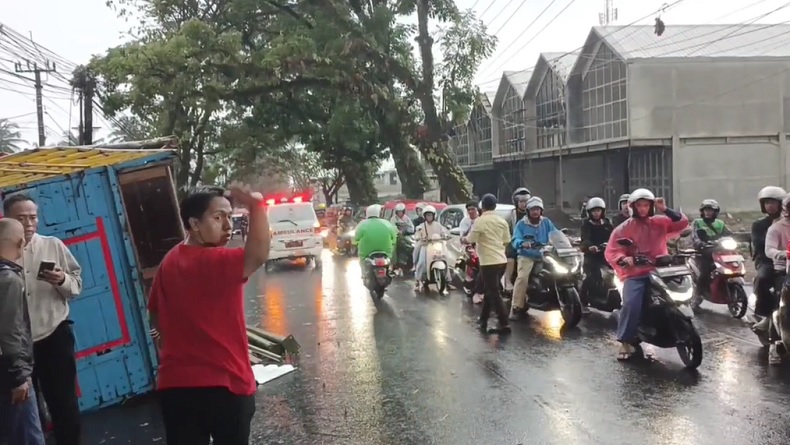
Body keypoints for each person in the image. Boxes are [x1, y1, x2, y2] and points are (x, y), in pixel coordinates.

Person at [147, 184, 269, 445]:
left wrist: (170, 343)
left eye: (229, 217)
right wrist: (257, 207)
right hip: (224, 384)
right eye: (218, 218)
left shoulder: (169, 261)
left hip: (176, 386)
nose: (228, 225)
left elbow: (155, 313)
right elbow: (257, 254)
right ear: (194, 224)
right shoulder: (214, 260)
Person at [3, 194, 82, 445]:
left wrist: (61, 280)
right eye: (21, 218)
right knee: (25, 408)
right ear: (7, 219)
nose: (28, 223)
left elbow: (77, 285)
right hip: (16, 346)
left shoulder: (53, 245)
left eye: (33, 217)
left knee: (64, 403)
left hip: (54, 334)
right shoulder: (4, 251)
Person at [605, 189, 688, 360]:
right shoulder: (624, 228)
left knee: (677, 293)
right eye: (639, 205)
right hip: (635, 273)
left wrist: (664, 209)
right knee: (631, 303)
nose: (643, 209)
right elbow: (613, 250)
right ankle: (625, 342)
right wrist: (624, 259)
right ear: (633, 207)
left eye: (646, 205)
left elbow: (682, 223)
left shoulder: (659, 222)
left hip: (659, 270)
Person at [0, 219, 46, 445]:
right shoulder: (8, 279)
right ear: (20, 243)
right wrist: (19, 377)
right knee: (29, 436)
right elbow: (9, 331)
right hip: (11, 375)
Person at [461, 194, 511, 333]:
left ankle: (504, 323)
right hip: (501, 260)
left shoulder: (480, 221)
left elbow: (472, 238)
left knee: (494, 292)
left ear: (482, 207)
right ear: (495, 206)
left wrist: (463, 239)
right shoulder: (502, 221)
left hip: (488, 262)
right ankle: (483, 320)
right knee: (490, 290)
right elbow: (506, 240)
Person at [510, 196, 557, 321]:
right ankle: (516, 307)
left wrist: (566, 239)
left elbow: (555, 234)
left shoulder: (546, 222)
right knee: (522, 277)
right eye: (533, 209)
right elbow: (515, 240)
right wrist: (522, 243)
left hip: (544, 254)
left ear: (541, 210)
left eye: (538, 209)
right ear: (528, 211)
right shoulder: (521, 224)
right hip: (527, 255)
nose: (535, 212)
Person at [751, 186, 786, 335]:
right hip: (767, 260)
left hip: (787, 260)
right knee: (763, 278)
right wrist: (778, 254)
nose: (770, 206)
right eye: (767, 203)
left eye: (773, 202)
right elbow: (760, 245)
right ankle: (765, 315)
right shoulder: (759, 225)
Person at [763, 194, 790, 365]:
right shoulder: (776, 228)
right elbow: (768, 250)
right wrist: (782, 254)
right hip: (783, 271)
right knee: (783, 307)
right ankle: (774, 344)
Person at [690, 199, 731, 300]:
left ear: (715, 212)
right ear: (702, 212)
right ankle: (697, 295)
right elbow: (694, 236)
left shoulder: (720, 223)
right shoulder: (697, 222)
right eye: (706, 210)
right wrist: (699, 243)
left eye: (711, 210)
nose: (708, 212)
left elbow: (729, 234)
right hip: (704, 252)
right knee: (705, 272)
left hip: (720, 250)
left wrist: (740, 239)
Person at [579, 197, 614, 313]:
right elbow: (585, 238)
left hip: (607, 255)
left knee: (618, 273)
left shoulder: (607, 224)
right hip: (592, 256)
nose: (596, 213)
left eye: (598, 210)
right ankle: (582, 301)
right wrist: (590, 246)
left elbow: (614, 237)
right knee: (591, 276)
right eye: (594, 211)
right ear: (589, 212)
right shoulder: (586, 224)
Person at [354, 204, 398, 278]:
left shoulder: (362, 224)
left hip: (366, 251)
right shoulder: (386, 223)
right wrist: (392, 243)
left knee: (362, 259)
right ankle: (389, 270)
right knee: (390, 257)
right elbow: (394, 237)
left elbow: (356, 238)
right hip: (386, 250)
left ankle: (364, 273)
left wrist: (356, 242)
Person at [414, 205, 450, 291]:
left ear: (434, 216)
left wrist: (445, 235)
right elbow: (417, 234)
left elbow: (444, 232)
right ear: (424, 216)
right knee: (422, 262)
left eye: (430, 215)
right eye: (427, 215)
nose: (429, 217)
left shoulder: (438, 225)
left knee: (446, 258)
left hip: (437, 245)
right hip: (426, 246)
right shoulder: (421, 226)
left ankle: (448, 279)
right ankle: (418, 280)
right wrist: (419, 237)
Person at [504, 187, 531, 293]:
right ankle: (507, 281)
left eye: (526, 201)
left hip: (532, 243)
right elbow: (506, 231)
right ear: (516, 202)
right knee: (510, 256)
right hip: (515, 242)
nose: (524, 204)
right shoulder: (511, 216)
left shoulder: (533, 213)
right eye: (522, 201)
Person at [459, 201, 483, 302]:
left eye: (473, 209)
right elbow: (462, 236)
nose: (471, 211)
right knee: (471, 260)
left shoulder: (481, 220)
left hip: (481, 246)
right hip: (468, 246)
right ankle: (469, 282)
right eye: (469, 209)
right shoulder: (465, 221)